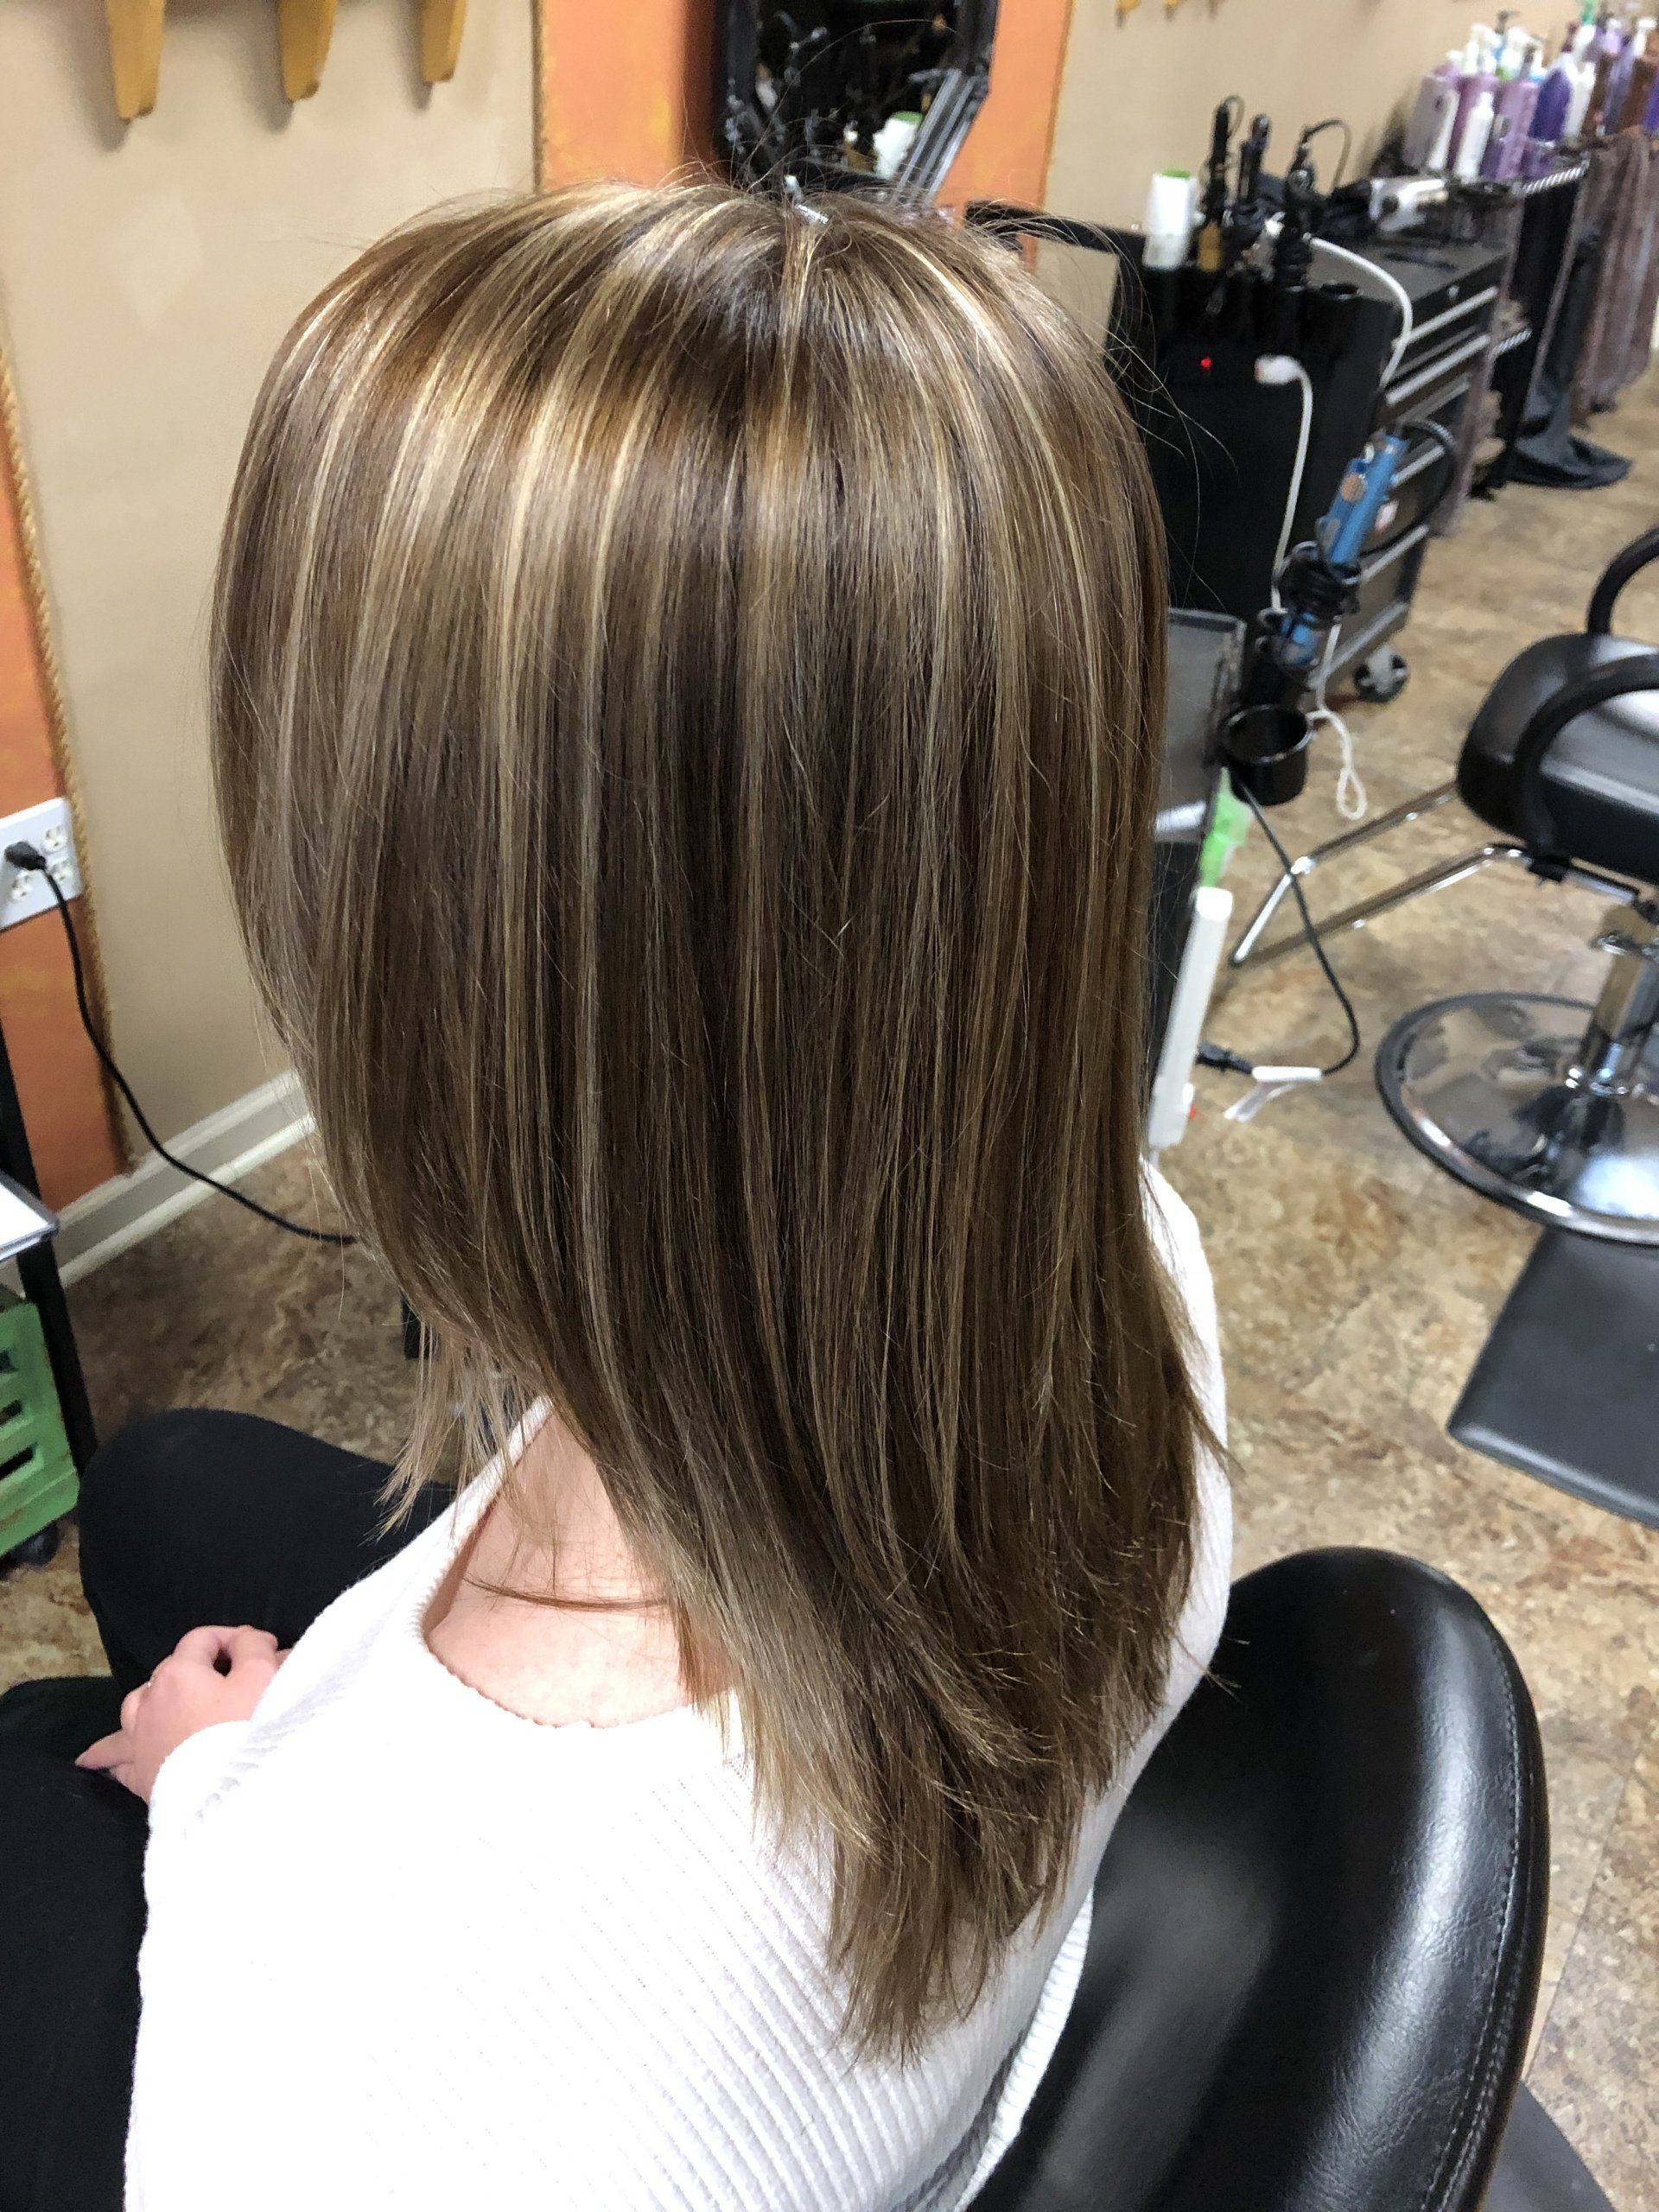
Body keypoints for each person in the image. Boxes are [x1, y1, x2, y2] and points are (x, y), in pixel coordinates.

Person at [0, 181, 1230, 2212]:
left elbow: (365, 1981)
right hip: (812, 1925)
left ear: (420, 957)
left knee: (39, 1794)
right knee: (160, 1487)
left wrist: (201, 1789)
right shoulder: (1122, 1261)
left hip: (452, 1988)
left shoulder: (355, 2025)